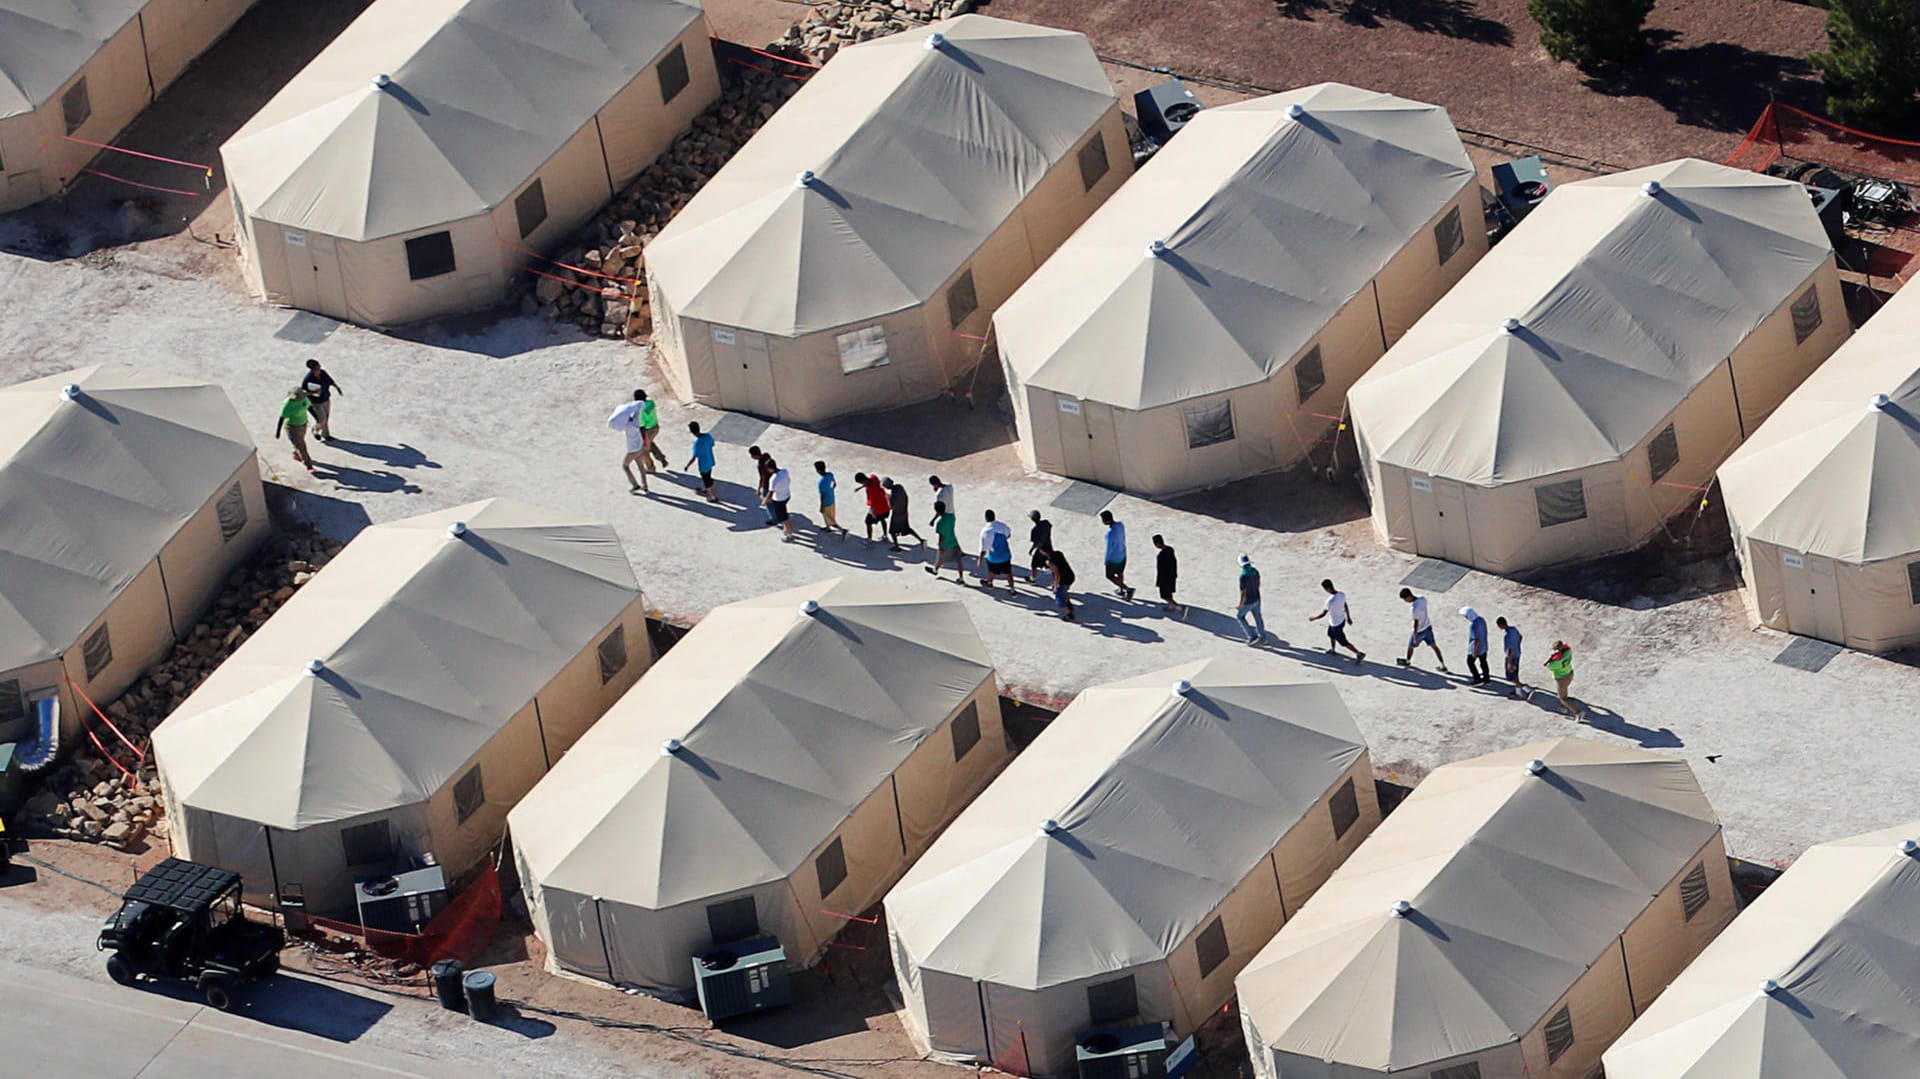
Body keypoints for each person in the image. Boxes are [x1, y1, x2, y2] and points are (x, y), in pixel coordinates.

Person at [1308, 579, 1365, 664]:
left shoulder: (1329, 601)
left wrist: (1314, 618)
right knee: (1331, 634)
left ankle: (1359, 653)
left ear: (1327, 589)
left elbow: (1323, 614)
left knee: (1343, 642)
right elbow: (1345, 605)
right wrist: (1348, 617)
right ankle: (1333, 650)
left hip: (1336, 624)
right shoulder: (1342, 594)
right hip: (1341, 620)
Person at [1397, 589, 1447, 671]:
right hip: (1427, 627)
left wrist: (1416, 637)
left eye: (1405, 599)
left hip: (1419, 631)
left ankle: (1407, 661)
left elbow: (1416, 623)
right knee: (1434, 646)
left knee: (1411, 646)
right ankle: (1443, 665)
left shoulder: (1414, 608)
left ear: (1409, 597)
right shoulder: (1422, 599)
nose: (1405, 601)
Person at [608, 395, 650, 493]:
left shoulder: (626, 426)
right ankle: (645, 485)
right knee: (641, 467)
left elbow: (617, 423)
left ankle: (635, 485)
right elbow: (637, 411)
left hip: (632, 450)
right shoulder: (635, 423)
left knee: (625, 466)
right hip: (640, 447)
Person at [275, 387, 317, 474]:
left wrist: (317, 418)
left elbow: (309, 407)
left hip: (303, 424)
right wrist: (278, 432)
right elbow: (282, 418)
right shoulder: (288, 404)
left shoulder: (304, 398)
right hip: (292, 428)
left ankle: (296, 454)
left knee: (299, 442)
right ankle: (309, 465)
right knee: (301, 446)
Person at [300, 359, 340, 441]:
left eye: (319, 366)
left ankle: (326, 435)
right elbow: (303, 393)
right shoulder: (308, 379)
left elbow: (330, 381)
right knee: (322, 419)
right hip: (316, 402)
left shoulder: (323, 373)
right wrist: (314, 392)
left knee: (326, 417)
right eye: (317, 368)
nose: (319, 369)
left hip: (325, 399)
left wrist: (337, 387)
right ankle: (315, 429)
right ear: (312, 370)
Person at [1544, 640, 1584, 720]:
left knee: (1562, 698)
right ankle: (1564, 707)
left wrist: (1551, 657)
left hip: (1561, 679)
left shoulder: (1554, 663)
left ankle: (1578, 712)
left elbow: (1546, 664)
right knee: (1564, 691)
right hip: (1569, 674)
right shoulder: (1568, 652)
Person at [926, 500, 964, 582]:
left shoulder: (940, 523)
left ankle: (935, 570)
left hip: (946, 545)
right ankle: (961, 578)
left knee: (940, 559)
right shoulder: (951, 516)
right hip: (954, 541)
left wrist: (940, 546)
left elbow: (941, 537)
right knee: (959, 560)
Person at [1100, 510, 1134, 600]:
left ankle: (1127, 589)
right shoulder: (1120, 525)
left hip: (1114, 559)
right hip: (1122, 554)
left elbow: (1109, 549)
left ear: (1106, 521)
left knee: (1109, 576)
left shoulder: (1110, 534)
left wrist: (1106, 560)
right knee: (1120, 572)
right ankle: (1121, 589)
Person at [979, 510, 1017, 591]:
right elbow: (1008, 534)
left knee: (992, 571)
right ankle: (1012, 589)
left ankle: (989, 583)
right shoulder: (1002, 526)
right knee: (1008, 573)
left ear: (986, 518)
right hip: (1005, 555)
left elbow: (984, 549)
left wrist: (980, 560)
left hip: (994, 558)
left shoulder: (985, 532)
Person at [635, 389, 670, 470]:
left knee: (644, 450)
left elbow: (642, 425)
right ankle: (661, 458)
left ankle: (651, 468)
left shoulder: (640, 410)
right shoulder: (651, 402)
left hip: (647, 430)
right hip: (655, 427)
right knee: (650, 443)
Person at [685, 422, 719, 503]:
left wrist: (687, 466)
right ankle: (704, 488)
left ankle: (713, 497)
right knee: (706, 477)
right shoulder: (708, 436)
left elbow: (694, 458)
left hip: (704, 465)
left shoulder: (697, 444)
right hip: (710, 460)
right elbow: (712, 444)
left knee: (708, 481)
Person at [885, 479, 925, 547]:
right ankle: (921, 540)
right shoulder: (899, 487)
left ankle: (896, 546)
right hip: (904, 512)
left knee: (892, 532)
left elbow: (891, 507)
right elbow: (905, 497)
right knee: (907, 529)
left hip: (897, 515)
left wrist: (888, 498)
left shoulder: (893, 496)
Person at [855, 472, 891, 547]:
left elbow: (872, 504)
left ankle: (869, 540)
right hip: (885, 507)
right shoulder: (874, 477)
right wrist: (860, 487)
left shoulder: (870, 491)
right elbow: (869, 483)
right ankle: (885, 536)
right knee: (882, 519)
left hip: (878, 510)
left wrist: (873, 514)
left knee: (868, 522)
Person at [1235, 555, 1265, 645]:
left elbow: (1243, 592)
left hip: (1248, 601)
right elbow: (1259, 584)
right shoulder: (1255, 571)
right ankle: (1262, 637)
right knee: (1258, 617)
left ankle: (1251, 637)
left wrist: (1240, 604)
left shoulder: (1243, 576)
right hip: (1257, 598)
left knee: (1240, 616)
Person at [1497, 617, 1529, 699]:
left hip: (1512, 658)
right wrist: (1517, 646)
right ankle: (1517, 691)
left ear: (1501, 625)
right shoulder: (1513, 629)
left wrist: (1509, 663)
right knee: (1515, 674)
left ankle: (1526, 689)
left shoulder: (1507, 636)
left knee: (1510, 677)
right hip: (1517, 654)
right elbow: (1520, 637)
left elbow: (1510, 650)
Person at [763, 457, 794, 541]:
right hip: (787, 496)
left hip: (779, 500)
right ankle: (786, 530)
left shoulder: (773, 479)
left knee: (784, 518)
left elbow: (770, 492)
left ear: (769, 469)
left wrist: (765, 500)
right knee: (783, 514)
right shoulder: (785, 471)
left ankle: (789, 534)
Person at [1152, 535, 1183, 616]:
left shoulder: (1161, 556)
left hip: (1165, 579)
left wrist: (1158, 581)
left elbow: (1160, 570)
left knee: (1164, 595)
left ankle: (1177, 607)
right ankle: (1171, 606)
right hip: (1172, 575)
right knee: (1169, 593)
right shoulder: (1170, 549)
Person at [814, 461, 846, 534]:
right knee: (830, 517)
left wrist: (821, 506)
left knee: (830, 519)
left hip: (826, 503)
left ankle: (843, 530)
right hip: (832, 500)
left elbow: (823, 496)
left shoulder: (821, 483)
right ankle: (827, 528)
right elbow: (834, 484)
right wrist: (830, 490)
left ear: (818, 470)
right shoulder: (830, 474)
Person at [1462, 607, 1491, 685]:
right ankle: (1486, 678)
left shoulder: (1473, 625)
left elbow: (1476, 640)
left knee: (1470, 662)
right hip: (1484, 646)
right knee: (1483, 662)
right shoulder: (1481, 620)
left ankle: (1477, 678)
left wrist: (1474, 652)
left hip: (1476, 647)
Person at [1048, 548, 1077, 621]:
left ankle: (1069, 614)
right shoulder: (1062, 562)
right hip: (1070, 578)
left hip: (1063, 581)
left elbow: (1057, 576)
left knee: (1060, 598)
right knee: (1064, 590)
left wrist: (1055, 585)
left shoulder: (1052, 563)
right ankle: (1068, 603)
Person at [750, 446, 777, 523]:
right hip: (775, 482)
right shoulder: (766, 455)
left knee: (768, 503)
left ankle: (773, 519)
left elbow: (762, 478)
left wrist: (759, 489)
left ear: (755, 456)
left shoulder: (760, 466)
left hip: (767, 485)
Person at [1027, 510, 1055, 584]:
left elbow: (1035, 543)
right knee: (1051, 564)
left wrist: (1031, 550)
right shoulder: (1046, 523)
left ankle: (1032, 579)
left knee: (1034, 565)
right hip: (1049, 547)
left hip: (1041, 550)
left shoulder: (1034, 530)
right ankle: (1056, 581)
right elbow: (1050, 526)